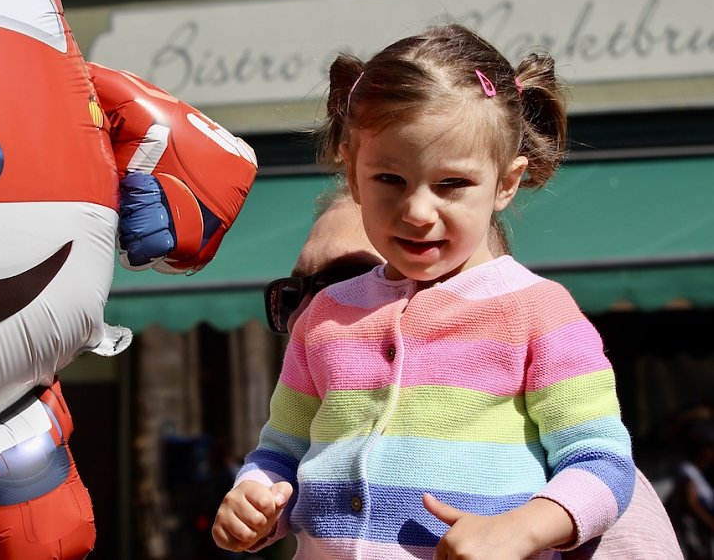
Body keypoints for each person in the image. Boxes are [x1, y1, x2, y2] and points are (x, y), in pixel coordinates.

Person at [213, 23, 637, 558]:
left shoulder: (538, 311)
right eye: (389, 179)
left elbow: (601, 462)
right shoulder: (325, 315)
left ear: (506, 183)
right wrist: (252, 499)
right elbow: (282, 452)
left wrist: (524, 528)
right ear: (351, 173)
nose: (417, 211)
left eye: (451, 184)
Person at [265, 187, 683, 559]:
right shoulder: (313, 464)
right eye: (292, 295)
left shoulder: (586, 502)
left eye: (347, 280)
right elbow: (276, 452)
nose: (308, 315)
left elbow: (603, 462)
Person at [667, 419, 714, 559]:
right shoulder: (688, 472)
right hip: (692, 533)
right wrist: (711, 524)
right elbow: (691, 502)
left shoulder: (699, 474)